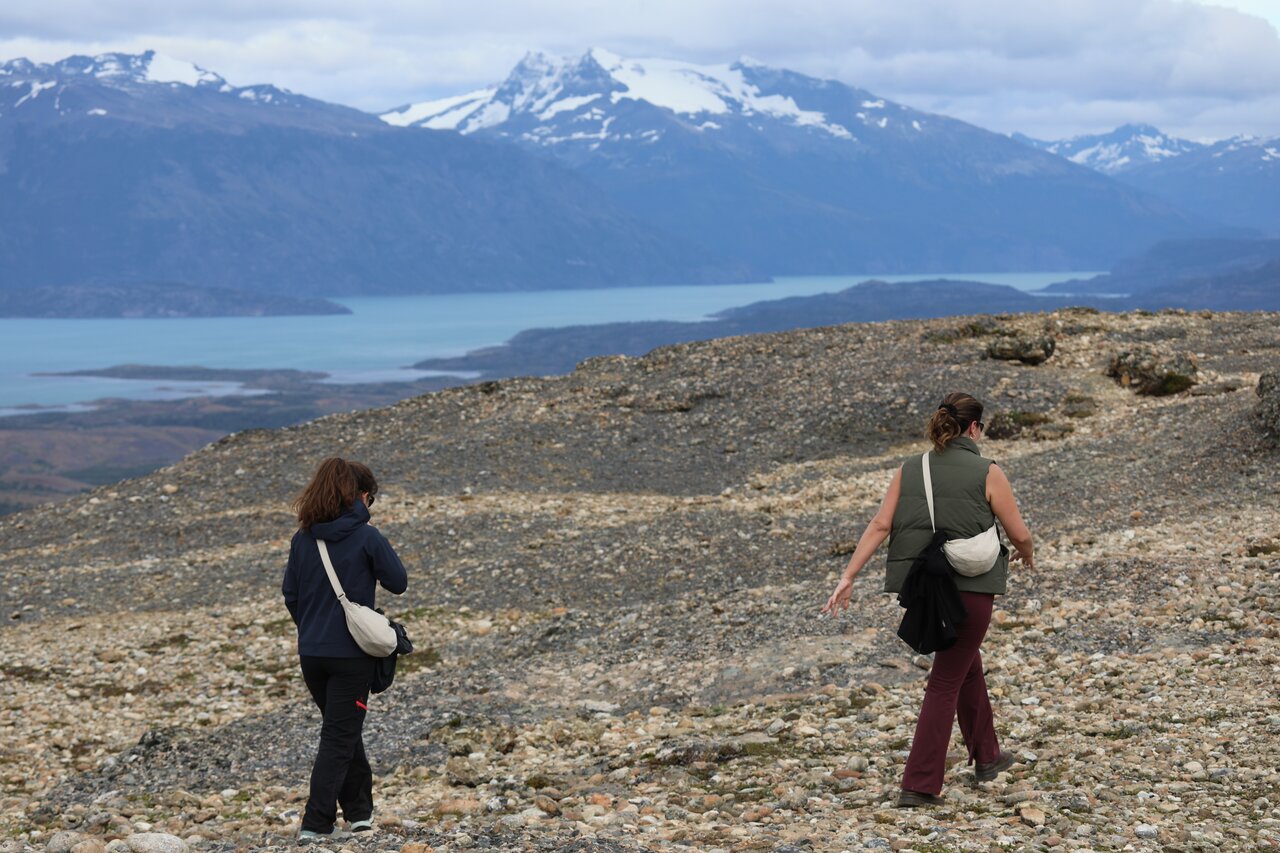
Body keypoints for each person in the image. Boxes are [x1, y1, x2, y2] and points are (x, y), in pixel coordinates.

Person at [821, 392, 1034, 807]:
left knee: (964, 661)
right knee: (946, 679)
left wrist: (848, 576)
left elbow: (881, 524)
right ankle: (918, 784)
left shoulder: (910, 468)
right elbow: (1019, 533)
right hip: (970, 590)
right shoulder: (988, 471)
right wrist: (1027, 553)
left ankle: (988, 755)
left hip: (925, 588)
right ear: (974, 428)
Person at [282, 457, 408, 841]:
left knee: (343, 729)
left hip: (312, 654)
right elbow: (398, 582)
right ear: (362, 496)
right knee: (339, 737)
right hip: (351, 656)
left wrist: (314, 630)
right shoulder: (367, 536)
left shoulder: (303, 539)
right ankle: (315, 824)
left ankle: (359, 813)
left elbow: (291, 595)